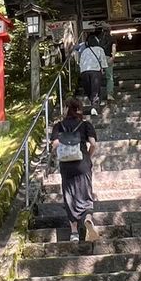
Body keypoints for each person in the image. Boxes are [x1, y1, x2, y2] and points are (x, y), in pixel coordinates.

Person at [49, 98, 98, 242]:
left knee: (69, 196)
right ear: (79, 110)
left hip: (66, 165)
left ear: (66, 109)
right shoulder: (86, 125)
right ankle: (88, 218)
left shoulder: (59, 126)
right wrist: (88, 156)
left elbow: (55, 144)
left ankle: (74, 232)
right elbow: (94, 144)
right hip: (83, 163)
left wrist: (54, 155)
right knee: (86, 195)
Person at [76, 32, 110, 113]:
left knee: (88, 89)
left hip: (84, 72)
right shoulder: (100, 49)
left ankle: (93, 104)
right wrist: (103, 69)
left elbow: (81, 62)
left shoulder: (84, 51)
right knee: (95, 89)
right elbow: (103, 61)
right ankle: (94, 106)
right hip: (95, 71)